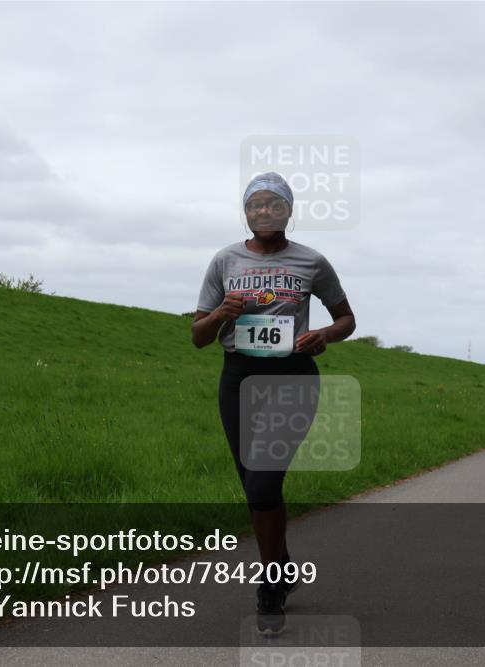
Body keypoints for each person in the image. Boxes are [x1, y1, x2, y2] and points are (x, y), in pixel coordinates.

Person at [191, 172, 356, 634]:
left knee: (263, 487)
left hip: (293, 379)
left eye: (273, 203)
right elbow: (198, 337)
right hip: (239, 378)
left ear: (288, 209)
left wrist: (323, 334)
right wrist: (221, 312)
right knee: (254, 488)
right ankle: (282, 565)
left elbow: (346, 318)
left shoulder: (311, 262)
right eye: (255, 205)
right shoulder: (225, 260)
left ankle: (269, 585)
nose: (264, 211)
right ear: (246, 212)